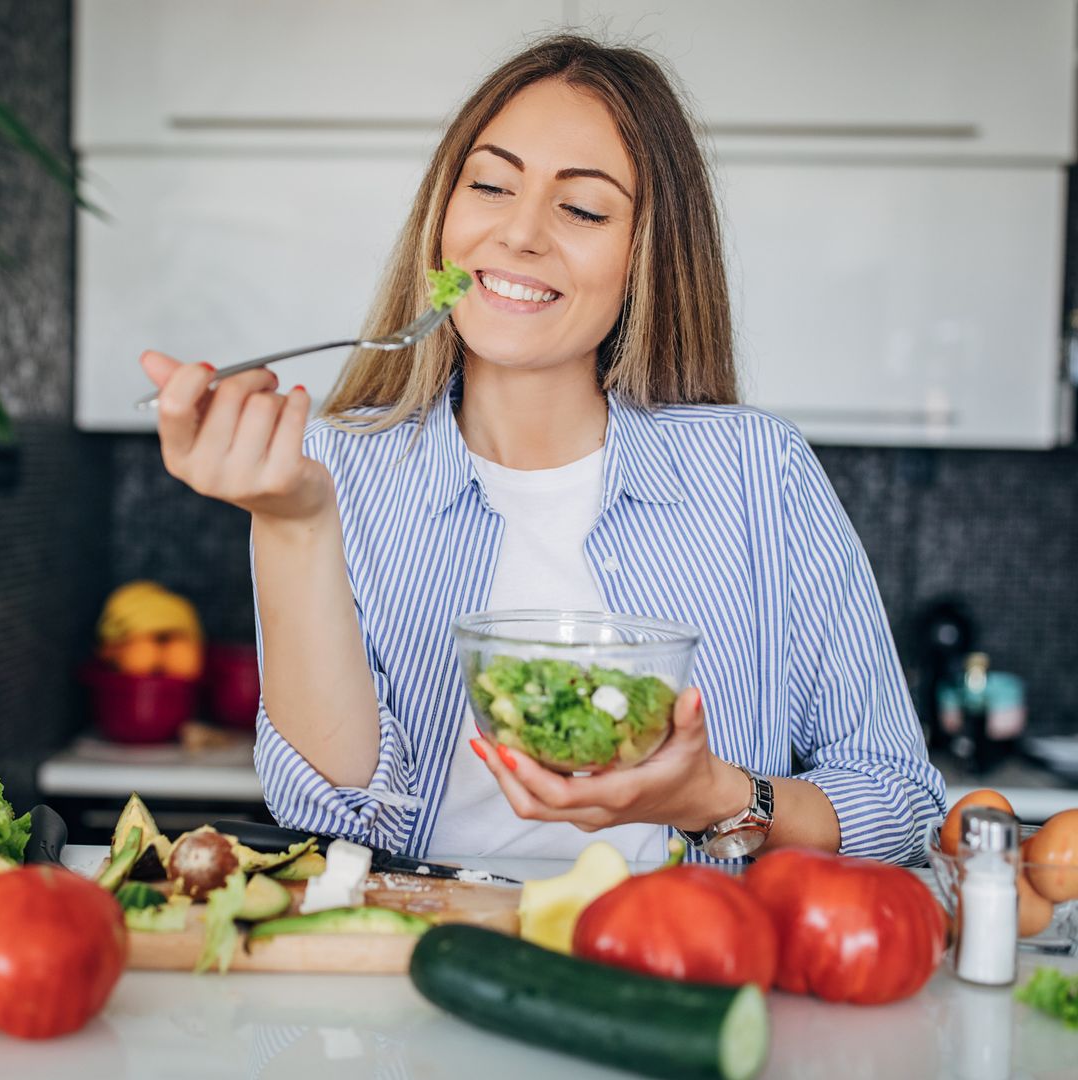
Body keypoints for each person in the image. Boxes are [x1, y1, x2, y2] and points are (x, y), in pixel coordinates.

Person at [141, 34, 945, 866]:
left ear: (647, 255)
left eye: (584, 209)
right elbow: (336, 808)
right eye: (490, 186)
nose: (518, 233)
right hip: (427, 958)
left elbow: (901, 803)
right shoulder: (332, 471)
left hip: (683, 966)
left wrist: (712, 795)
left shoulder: (757, 472)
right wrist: (294, 524)